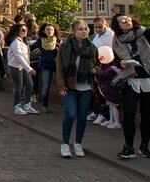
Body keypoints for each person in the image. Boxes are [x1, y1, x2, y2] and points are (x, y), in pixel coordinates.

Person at [110, 14, 150, 159]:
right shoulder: (117, 40)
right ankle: (129, 147)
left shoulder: (143, 33)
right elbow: (115, 61)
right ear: (117, 25)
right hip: (130, 78)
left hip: (148, 78)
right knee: (129, 114)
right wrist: (121, 64)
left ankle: (145, 146)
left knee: (147, 115)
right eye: (123, 21)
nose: (127, 21)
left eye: (128, 19)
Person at [56, 19, 100, 158]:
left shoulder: (92, 48)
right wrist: (61, 85)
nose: (84, 31)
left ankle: (78, 143)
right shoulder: (65, 46)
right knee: (71, 114)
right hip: (70, 85)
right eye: (80, 29)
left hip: (86, 85)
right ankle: (64, 144)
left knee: (82, 116)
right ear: (74, 32)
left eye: (85, 29)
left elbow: (99, 65)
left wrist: (95, 69)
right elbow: (59, 67)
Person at [5, 23, 38, 115]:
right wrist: (29, 69)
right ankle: (17, 106)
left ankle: (27, 105)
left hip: (24, 67)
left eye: (26, 30)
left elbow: (32, 43)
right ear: (17, 32)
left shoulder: (24, 41)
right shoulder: (15, 42)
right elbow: (19, 57)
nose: (25, 32)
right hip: (15, 67)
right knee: (18, 86)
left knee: (29, 85)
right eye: (23, 30)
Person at [88, 17, 115, 123]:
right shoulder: (97, 37)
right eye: (96, 27)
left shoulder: (110, 36)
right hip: (98, 65)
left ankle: (104, 114)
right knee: (99, 91)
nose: (98, 29)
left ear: (106, 25)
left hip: (106, 66)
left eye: (100, 27)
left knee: (105, 91)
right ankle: (99, 112)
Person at [30, 23, 61, 113]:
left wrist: (57, 49)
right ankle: (44, 105)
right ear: (44, 31)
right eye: (48, 30)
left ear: (54, 30)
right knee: (45, 86)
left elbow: (63, 52)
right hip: (45, 65)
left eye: (51, 29)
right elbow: (30, 48)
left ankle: (66, 106)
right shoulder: (41, 41)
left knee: (62, 85)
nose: (50, 31)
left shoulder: (58, 40)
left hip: (57, 65)